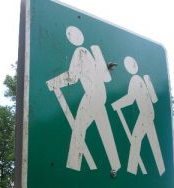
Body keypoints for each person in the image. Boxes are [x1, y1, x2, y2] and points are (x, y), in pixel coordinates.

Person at [47, 26, 120, 172]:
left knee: (79, 127)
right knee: (105, 128)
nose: (70, 37)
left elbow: (72, 76)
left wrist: (53, 83)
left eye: (70, 34)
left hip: (93, 94)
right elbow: (105, 77)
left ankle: (73, 166)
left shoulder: (80, 51)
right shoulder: (91, 54)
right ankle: (116, 165)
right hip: (101, 94)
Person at [112, 56, 165, 176]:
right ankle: (161, 169)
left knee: (136, 138)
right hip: (150, 112)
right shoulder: (143, 79)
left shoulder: (135, 79)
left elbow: (130, 99)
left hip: (145, 113)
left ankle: (131, 169)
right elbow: (154, 99)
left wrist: (115, 105)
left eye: (128, 65)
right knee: (153, 140)